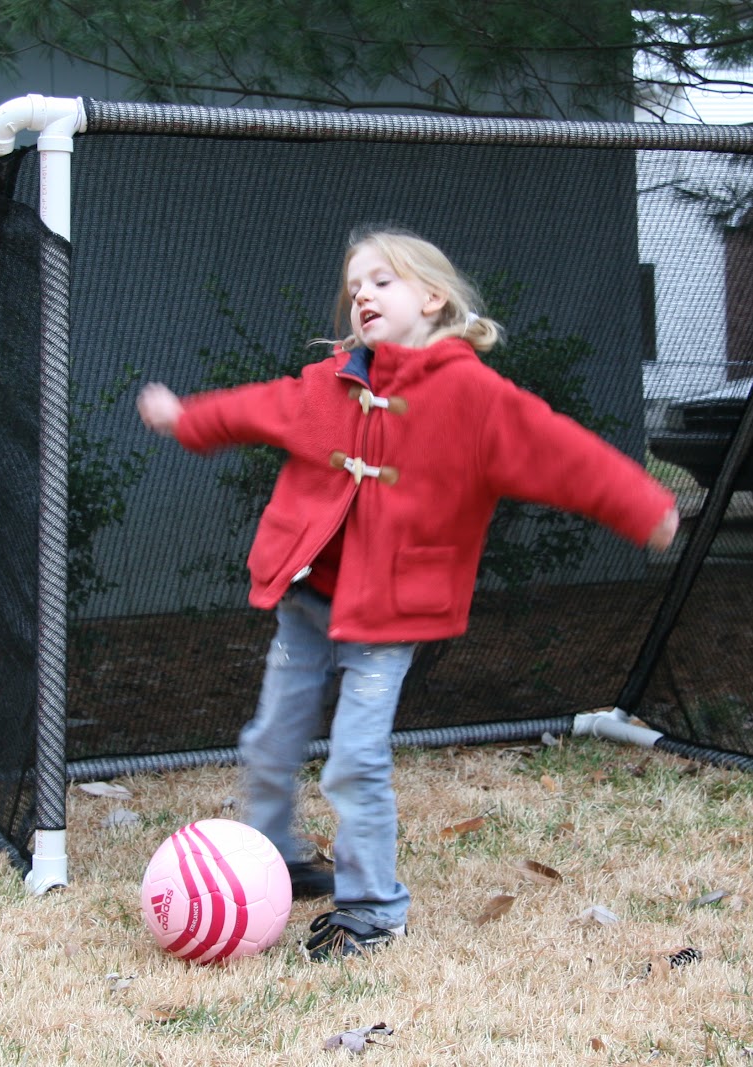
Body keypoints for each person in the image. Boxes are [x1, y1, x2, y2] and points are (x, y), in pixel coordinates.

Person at [138, 226, 678, 961]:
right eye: (354, 285)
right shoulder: (327, 385)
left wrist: (644, 507)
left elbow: (563, 453)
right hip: (306, 609)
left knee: (355, 760)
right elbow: (250, 408)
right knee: (268, 743)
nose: (361, 293)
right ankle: (276, 857)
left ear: (433, 297)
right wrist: (187, 419)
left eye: (381, 280)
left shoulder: (472, 396)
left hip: (385, 620)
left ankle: (372, 908)